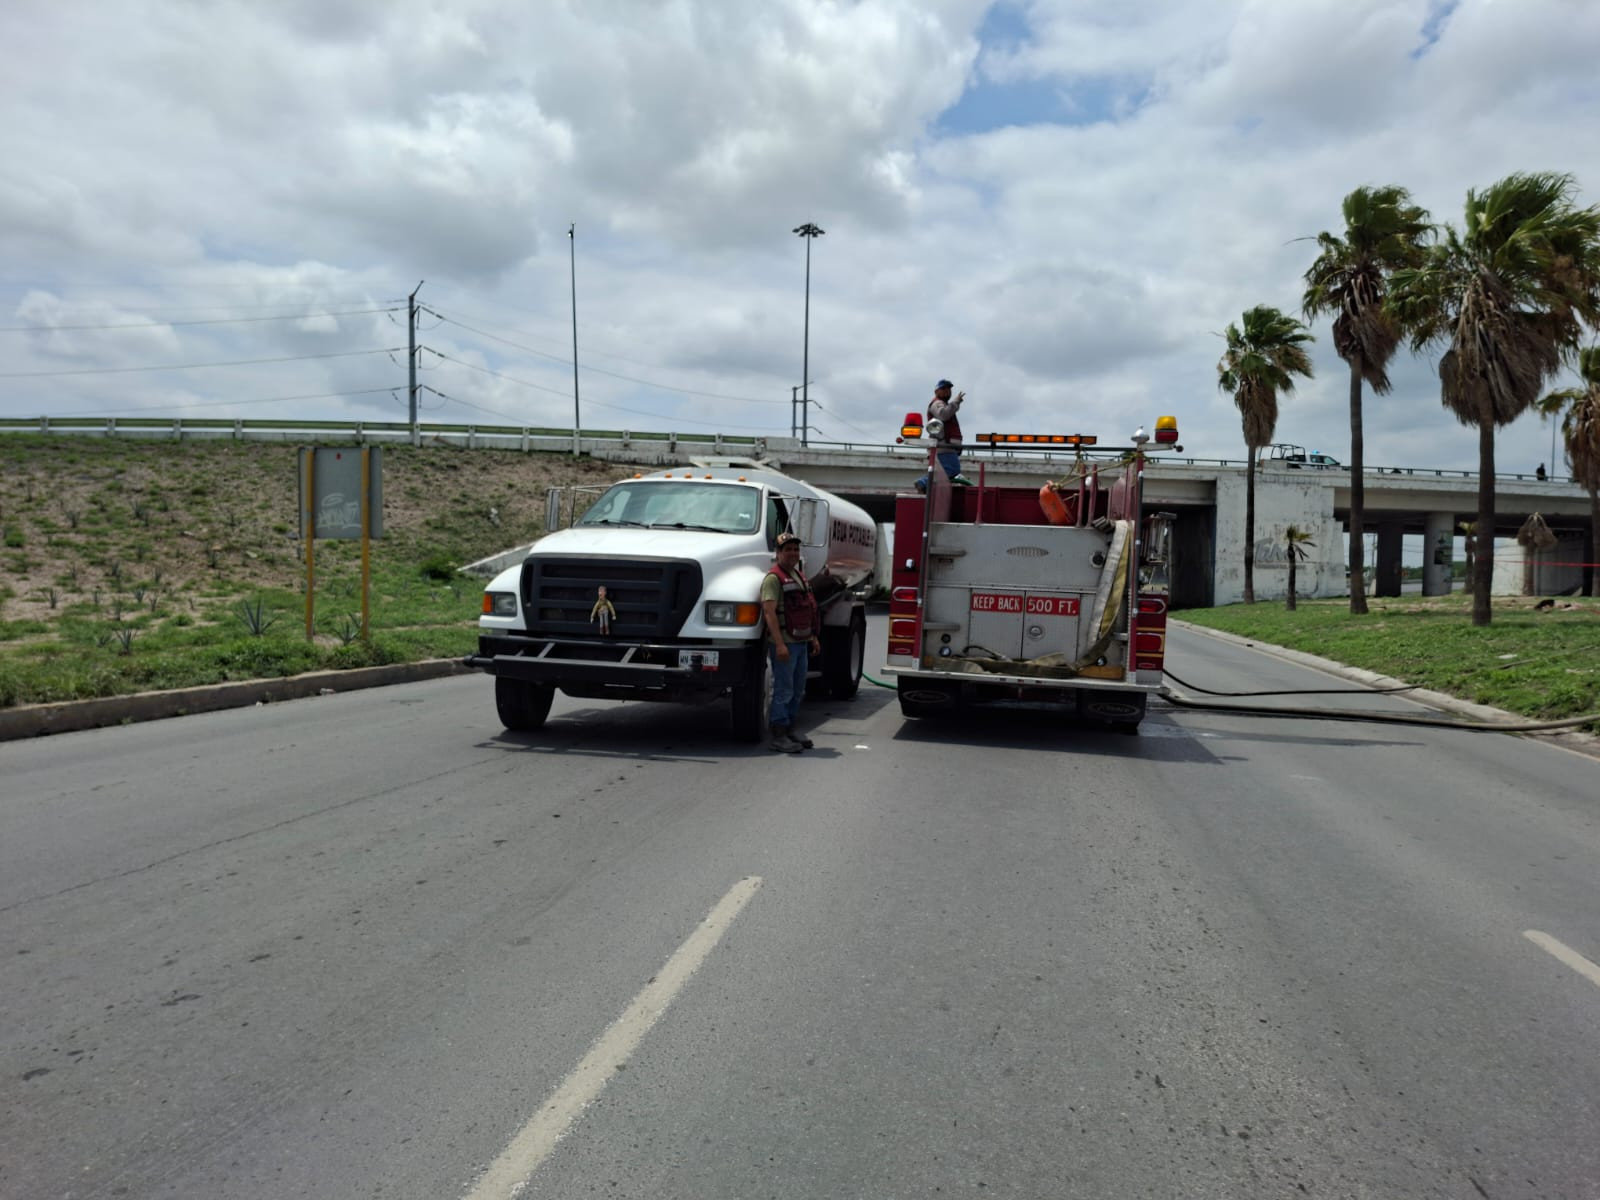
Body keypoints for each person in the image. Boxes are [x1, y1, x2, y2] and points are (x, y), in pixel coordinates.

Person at [760, 532, 822, 752]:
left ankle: (790, 729)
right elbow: (769, 613)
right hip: (785, 644)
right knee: (784, 690)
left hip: (801, 642)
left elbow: (807, 609)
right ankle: (779, 735)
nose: (793, 553)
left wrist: (813, 637)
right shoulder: (773, 579)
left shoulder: (798, 575)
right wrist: (779, 645)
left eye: (796, 549)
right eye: (788, 549)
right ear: (778, 553)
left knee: (798, 689)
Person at [914, 379, 973, 492]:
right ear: (937, 391)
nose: (948, 391)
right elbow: (943, 414)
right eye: (944, 389)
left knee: (949, 472)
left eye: (949, 389)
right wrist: (955, 402)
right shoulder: (937, 403)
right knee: (952, 471)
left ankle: (926, 485)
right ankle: (923, 482)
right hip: (943, 446)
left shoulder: (943, 404)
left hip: (947, 446)